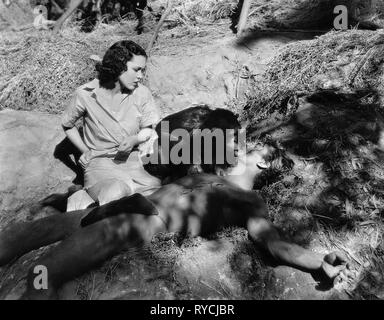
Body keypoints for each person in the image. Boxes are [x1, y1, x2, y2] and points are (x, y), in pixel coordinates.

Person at [4, 141, 352, 299]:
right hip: (121, 206)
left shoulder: (249, 200)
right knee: (38, 229)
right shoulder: (211, 175)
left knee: (47, 271)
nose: (248, 145)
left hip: (139, 222)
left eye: (257, 146)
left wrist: (317, 261)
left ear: (263, 164)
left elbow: (273, 242)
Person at [61, 40, 162, 209]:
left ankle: (91, 203)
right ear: (118, 67)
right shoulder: (85, 94)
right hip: (100, 165)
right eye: (136, 69)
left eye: (143, 70)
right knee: (116, 191)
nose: (141, 76)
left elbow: (148, 128)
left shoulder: (142, 93)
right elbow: (67, 124)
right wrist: (85, 150)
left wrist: (134, 139)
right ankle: (81, 200)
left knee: (157, 193)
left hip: (133, 163)